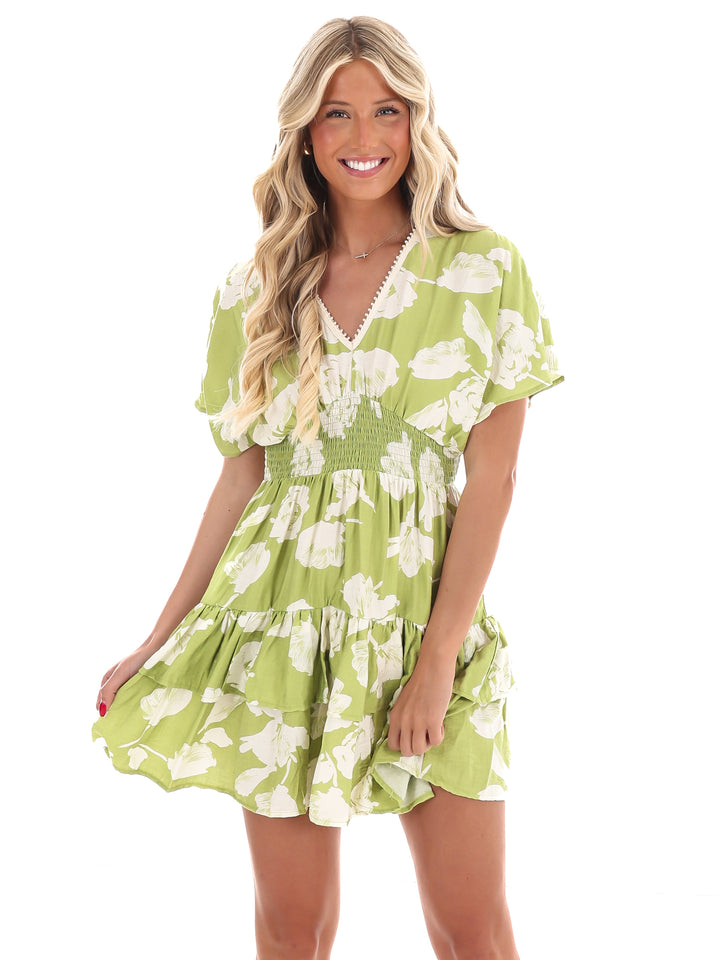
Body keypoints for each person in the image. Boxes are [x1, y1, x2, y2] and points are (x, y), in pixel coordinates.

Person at [92, 15, 563, 960]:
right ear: (304, 132)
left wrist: (438, 659)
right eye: (337, 113)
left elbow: (495, 477)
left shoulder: (482, 269)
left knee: (472, 928)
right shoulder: (254, 291)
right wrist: (160, 635)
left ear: (417, 121)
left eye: (386, 111)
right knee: (291, 928)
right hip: (283, 632)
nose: (363, 137)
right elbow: (242, 481)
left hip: (428, 628)